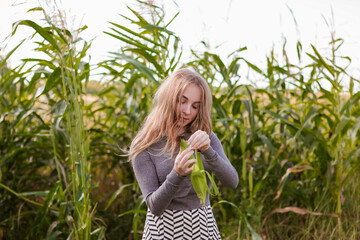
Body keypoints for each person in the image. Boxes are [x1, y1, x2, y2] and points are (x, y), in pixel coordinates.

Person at [129, 68, 239, 239]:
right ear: (169, 98)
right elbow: (154, 207)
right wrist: (177, 174)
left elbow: (232, 181)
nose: (188, 111)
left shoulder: (205, 136)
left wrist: (208, 150)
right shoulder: (145, 145)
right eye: (182, 101)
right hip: (163, 231)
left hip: (204, 228)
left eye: (195, 106)